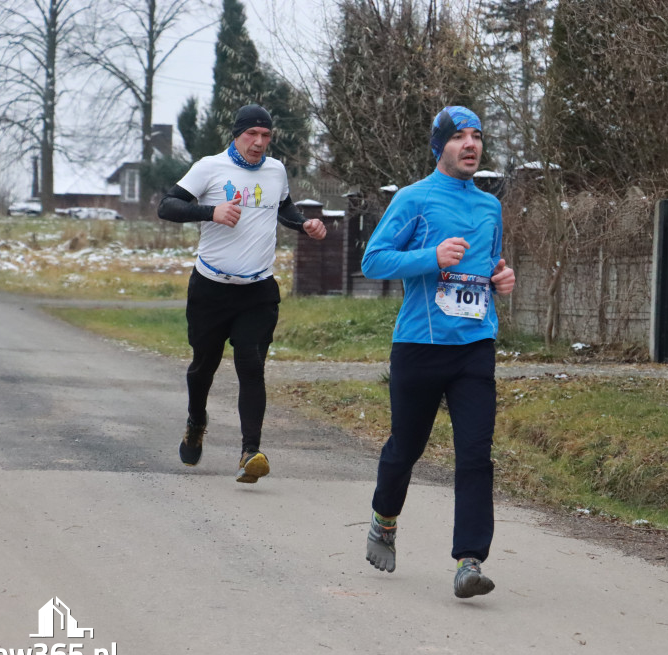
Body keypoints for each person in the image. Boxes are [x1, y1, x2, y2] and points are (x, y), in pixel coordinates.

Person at [360, 105, 515, 598]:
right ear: (439, 146)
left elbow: (489, 268)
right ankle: (385, 518)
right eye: (459, 137)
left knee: (475, 454)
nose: (470, 145)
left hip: (475, 346)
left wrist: (501, 279)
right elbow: (373, 260)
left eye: (477, 137)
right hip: (419, 346)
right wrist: (431, 256)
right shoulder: (414, 199)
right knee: (406, 447)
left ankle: (469, 561)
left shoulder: (490, 207)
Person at [157, 104, 326, 483]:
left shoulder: (276, 170)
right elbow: (167, 206)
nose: (259, 143)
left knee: (251, 366)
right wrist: (210, 212)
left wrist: (306, 225)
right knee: (204, 366)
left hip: (257, 290)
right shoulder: (209, 167)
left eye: (266, 136)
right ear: (236, 134)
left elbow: (282, 209)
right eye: (252, 134)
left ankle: (251, 452)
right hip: (210, 290)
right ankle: (196, 421)